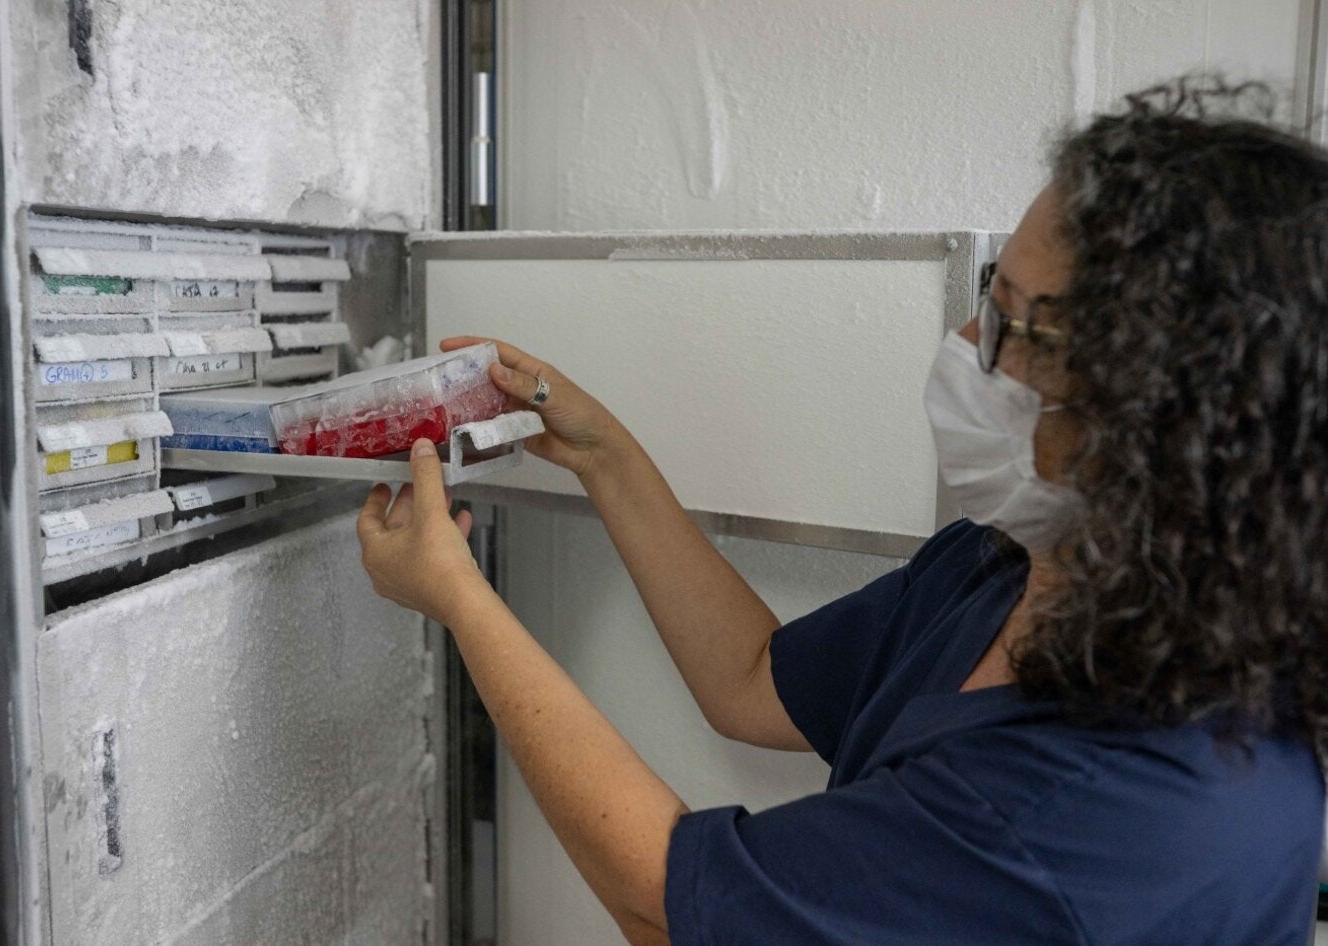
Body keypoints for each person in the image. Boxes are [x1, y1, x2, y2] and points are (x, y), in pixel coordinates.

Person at [356, 78, 1327, 944]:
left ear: (1155, 408)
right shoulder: (1004, 567)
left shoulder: (1112, 807)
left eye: (1013, 323)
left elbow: (659, 907)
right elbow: (748, 681)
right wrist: (607, 456)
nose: (962, 338)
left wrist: (463, 601)